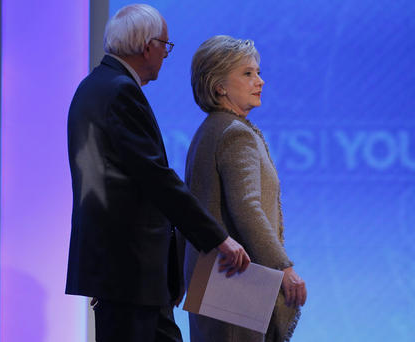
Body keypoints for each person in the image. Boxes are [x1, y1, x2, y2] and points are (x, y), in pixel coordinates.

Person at [65, 6, 250, 342]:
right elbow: (155, 177)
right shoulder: (121, 91)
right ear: (147, 46)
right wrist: (217, 238)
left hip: (120, 269)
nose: (166, 54)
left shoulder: (93, 86)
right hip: (130, 269)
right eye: (165, 45)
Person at [182, 35, 307, 342]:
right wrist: (284, 268)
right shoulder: (235, 134)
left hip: (208, 280)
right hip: (235, 280)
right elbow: (247, 208)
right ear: (219, 86)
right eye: (248, 73)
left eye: (258, 72)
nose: (260, 81)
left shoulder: (207, 130)